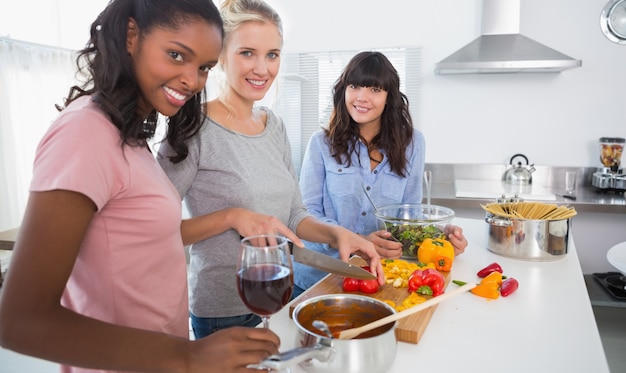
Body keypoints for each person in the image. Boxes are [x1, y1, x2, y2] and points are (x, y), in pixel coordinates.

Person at [0, 1, 283, 372]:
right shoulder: (85, 132)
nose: (191, 80)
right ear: (132, 36)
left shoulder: (129, 138)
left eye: (202, 68)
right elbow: (19, 321)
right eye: (176, 55)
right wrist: (188, 355)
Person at [156, 0, 383, 340]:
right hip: (224, 314)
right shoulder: (191, 127)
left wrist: (337, 235)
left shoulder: (273, 125)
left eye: (272, 54)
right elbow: (152, 233)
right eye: (247, 52)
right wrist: (232, 216)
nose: (262, 68)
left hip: (280, 298)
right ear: (220, 55)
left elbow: (293, 214)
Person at [293, 51, 468, 297]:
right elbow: (306, 214)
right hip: (319, 277)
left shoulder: (413, 143)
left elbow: (409, 215)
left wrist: (440, 240)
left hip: (380, 278)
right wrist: (359, 241)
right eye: (354, 86)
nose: (362, 97)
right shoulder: (321, 143)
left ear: (389, 97)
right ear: (344, 90)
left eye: (375, 89)